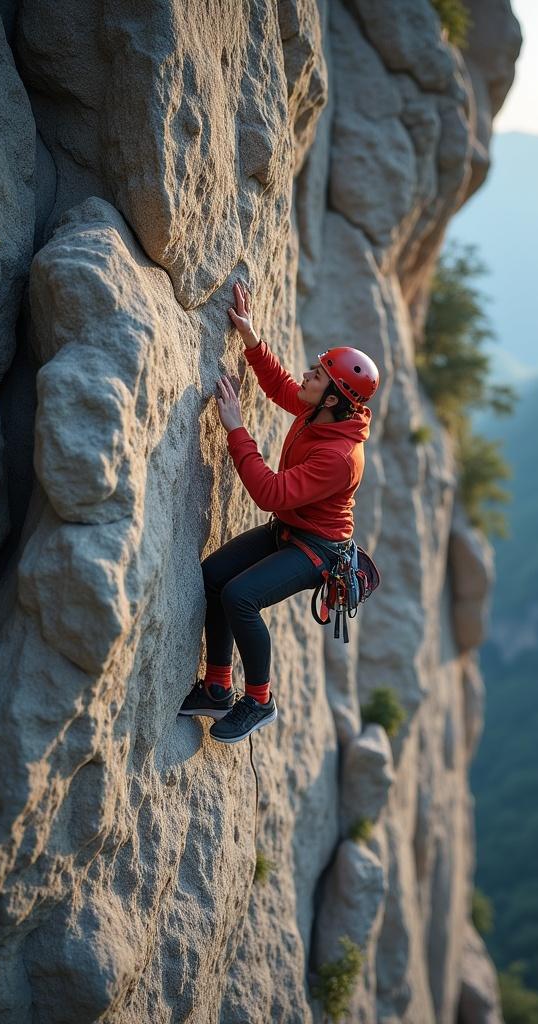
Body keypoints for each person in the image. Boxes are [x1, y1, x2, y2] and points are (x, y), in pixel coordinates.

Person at [178, 281, 380, 743]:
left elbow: (269, 492)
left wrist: (236, 429)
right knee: (212, 578)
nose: (307, 374)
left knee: (240, 597)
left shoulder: (340, 457)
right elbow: (284, 390)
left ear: (332, 398)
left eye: (317, 374)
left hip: (318, 550)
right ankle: (216, 686)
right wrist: (251, 338)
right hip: (291, 531)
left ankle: (260, 700)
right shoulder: (322, 413)